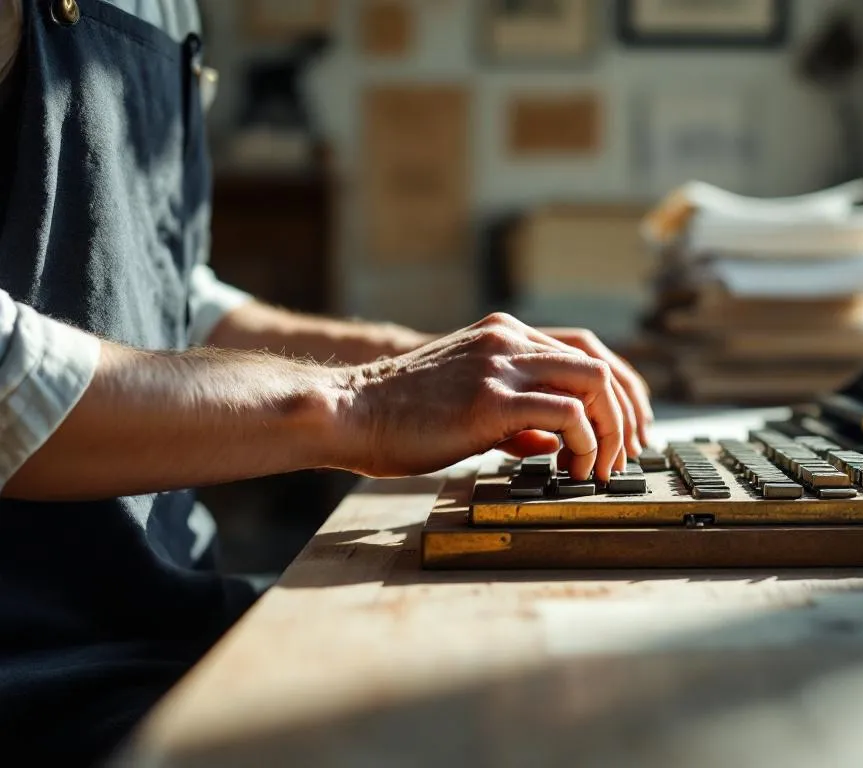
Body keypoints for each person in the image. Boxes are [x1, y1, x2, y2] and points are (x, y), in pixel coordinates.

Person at [0, 0, 652, 762]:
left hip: (161, 620)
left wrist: (430, 362)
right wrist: (362, 402)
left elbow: (161, 294)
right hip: (37, 681)